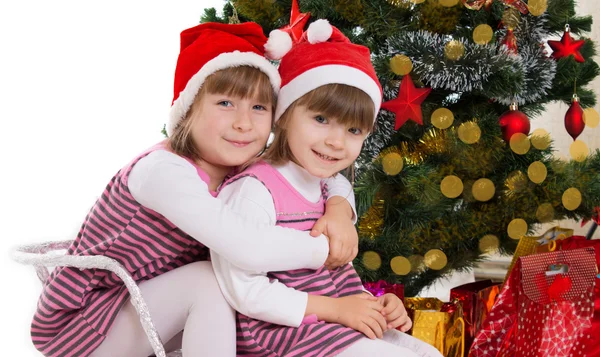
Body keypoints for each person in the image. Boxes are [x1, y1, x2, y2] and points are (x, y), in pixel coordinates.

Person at [31, 22, 360, 357]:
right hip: (86, 323)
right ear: (188, 110)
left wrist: (337, 208)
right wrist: (326, 249)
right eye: (226, 104)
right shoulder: (163, 172)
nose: (244, 123)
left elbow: (319, 174)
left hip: (153, 307)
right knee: (210, 279)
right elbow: (246, 246)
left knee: (236, 301)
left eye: (259, 108)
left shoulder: (238, 164)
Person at [211, 20, 442, 357]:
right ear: (285, 114)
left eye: (353, 130)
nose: (336, 142)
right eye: (321, 120)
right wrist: (338, 311)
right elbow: (244, 290)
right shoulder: (256, 191)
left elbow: (339, 191)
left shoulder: (323, 185)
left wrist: (378, 306)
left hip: (334, 321)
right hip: (282, 333)